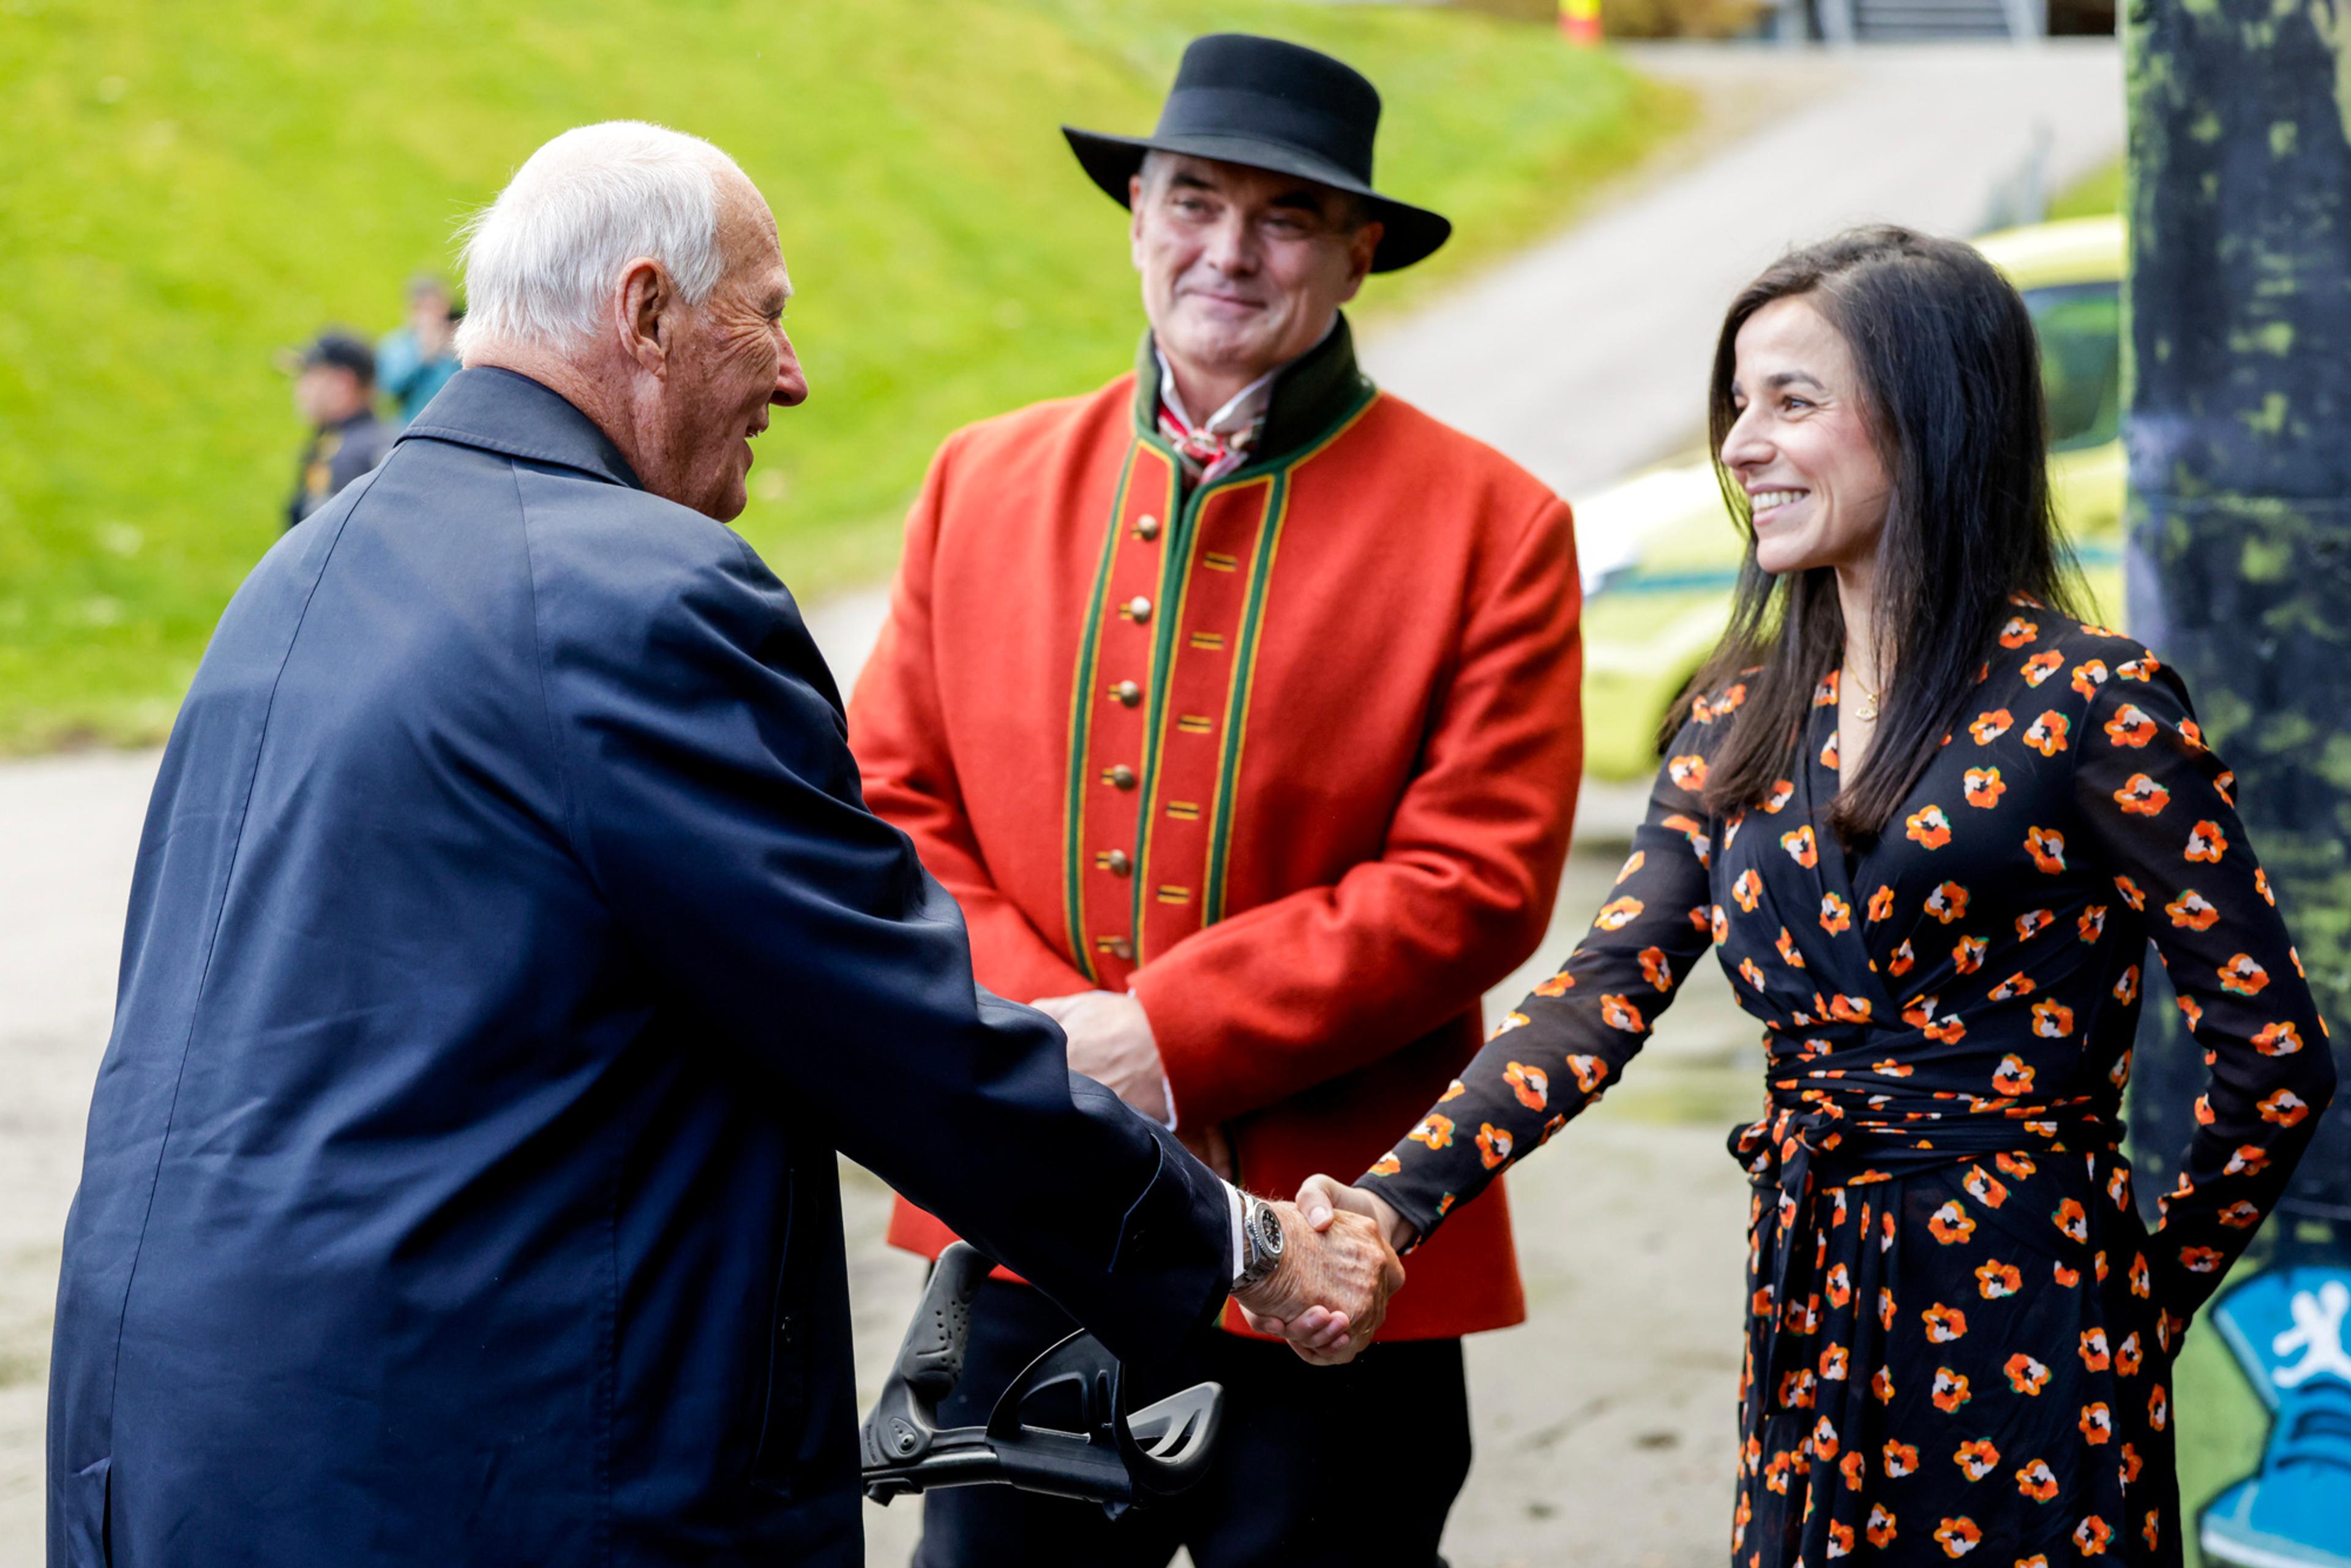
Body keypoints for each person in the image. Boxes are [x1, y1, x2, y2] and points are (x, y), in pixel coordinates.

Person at [45, 121, 1402, 1568]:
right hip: (476, 1461)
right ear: (645, 313)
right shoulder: (638, 597)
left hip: (175, 1441)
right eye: (764, 314)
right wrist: (1250, 1244)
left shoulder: (297, 571)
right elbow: (894, 1034)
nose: (794, 374)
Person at [1281, 227, 2339, 1566]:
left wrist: (2142, 1296)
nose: (1741, 445)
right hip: (1812, 1299)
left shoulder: (2092, 705)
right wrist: (1389, 1202)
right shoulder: (1737, 715)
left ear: (1934, 418)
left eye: (1793, 400)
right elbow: (1596, 997)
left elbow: (2275, 1054)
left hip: (2039, 1318)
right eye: (1738, 403)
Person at [847, 33, 1583, 1568]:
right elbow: (891, 811)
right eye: (1193, 200)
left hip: (1338, 1243)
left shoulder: (1496, 523)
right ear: (1136, 215)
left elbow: (1476, 879)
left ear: (1358, 251)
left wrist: (1164, 1036)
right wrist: (1054, 1045)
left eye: (1285, 217)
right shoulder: (977, 480)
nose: (1227, 252)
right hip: (1031, 1231)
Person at [282, 329, 393, 528]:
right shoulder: (357, 440)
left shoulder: (347, 456)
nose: (300, 388)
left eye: (309, 375)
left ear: (342, 384)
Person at [376, 272, 463, 424]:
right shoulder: (396, 345)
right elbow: (389, 389)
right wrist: (424, 356)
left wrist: (459, 353)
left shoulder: (456, 338)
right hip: (412, 424)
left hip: (454, 422)